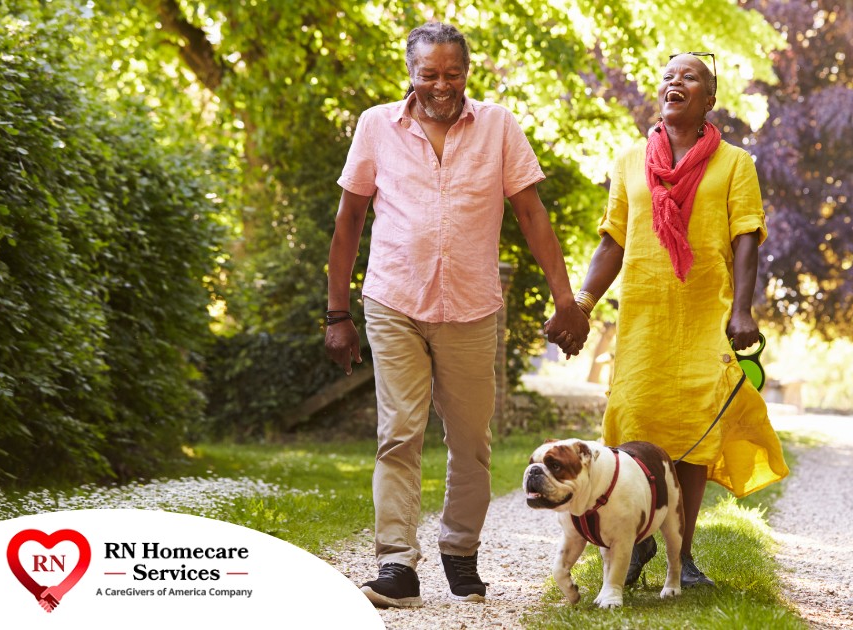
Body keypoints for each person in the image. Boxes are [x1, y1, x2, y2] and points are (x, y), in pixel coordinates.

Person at [325, 22, 588, 608]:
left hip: (470, 307)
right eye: (429, 74)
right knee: (398, 435)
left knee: (471, 443)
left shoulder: (498, 126)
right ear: (411, 74)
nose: (442, 85)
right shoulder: (376, 126)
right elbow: (348, 221)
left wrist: (564, 299)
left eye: (453, 73)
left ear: (467, 72)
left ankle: (460, 551)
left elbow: (530, 213)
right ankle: (397, 566)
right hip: (393, 300)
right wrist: (336, 312)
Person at [563, 52, 789, 588]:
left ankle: (680, 559)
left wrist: (742, 310)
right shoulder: (629, 161)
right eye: (669, 76)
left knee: (693, 438)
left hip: (704, 317)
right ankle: (633, 543)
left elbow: (746, 238)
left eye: (689, 76)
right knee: (635, 427)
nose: (675, 82)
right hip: (643, 319)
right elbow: (613, 241)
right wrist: (583, 303)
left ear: (710, 98)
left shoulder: (735, 163)